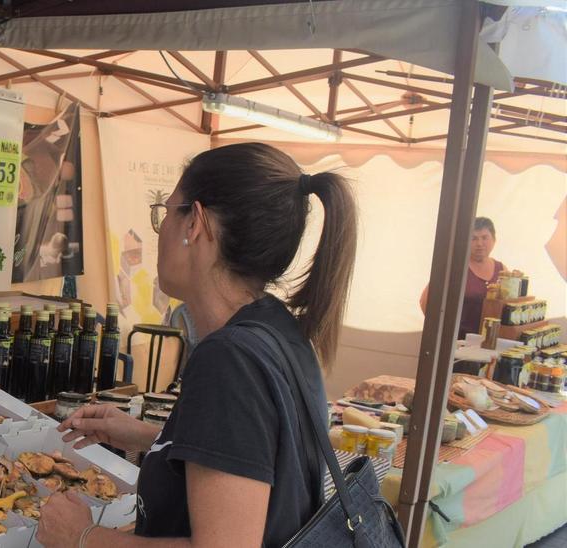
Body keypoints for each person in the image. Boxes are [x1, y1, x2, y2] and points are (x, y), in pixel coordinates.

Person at [40, 143, 358, 547]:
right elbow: (254, 460)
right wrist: (150, 438)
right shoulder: (278, 329)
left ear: (196, 224)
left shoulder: (229, 359)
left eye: (167, 213)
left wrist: (82, 537)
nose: (162, 231)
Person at [418, 217, 505, 339]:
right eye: (473, 238)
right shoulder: (455, 268)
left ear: (494, 240)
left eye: (484, 237)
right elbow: (425, 302)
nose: (479, 244)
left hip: (488, 344)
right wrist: (443, 332)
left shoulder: (502, 270)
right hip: (457, 345)